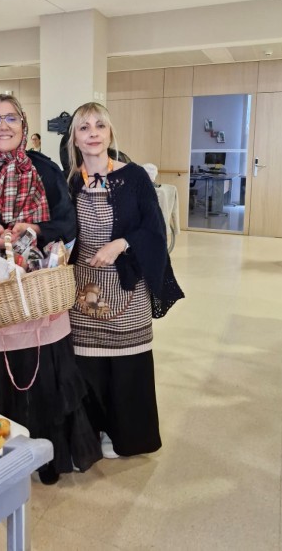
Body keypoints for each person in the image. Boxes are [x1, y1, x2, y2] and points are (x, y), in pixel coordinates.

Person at [0, 94, 102, 484]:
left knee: (41, 369)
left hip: (37, 289)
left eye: (11, 118)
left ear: (24, 124)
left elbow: (68, 225)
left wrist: (34, 228)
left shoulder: (45, 169)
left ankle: (45, 455)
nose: (4, 126)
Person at [66, 102, 184, 460]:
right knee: (88, 364)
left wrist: (121, 243)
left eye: (99, 126)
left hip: (126, 285)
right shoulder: (70, 181)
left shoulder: (133, 178)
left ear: (110, 133)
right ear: (75, 139)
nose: (93, 133)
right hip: (83, 288)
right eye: (84, 127)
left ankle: (128, 437)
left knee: (127, 366)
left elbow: (155, 230)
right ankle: (95, 430)